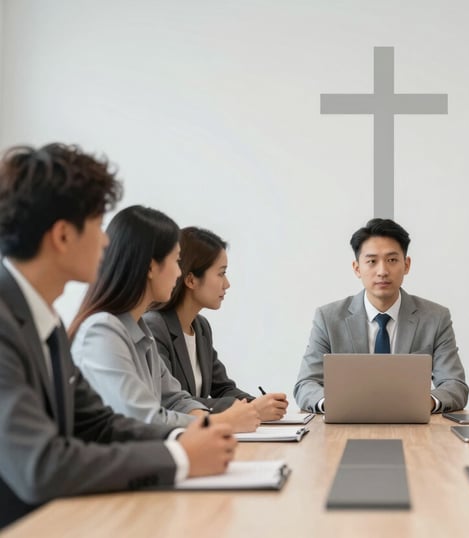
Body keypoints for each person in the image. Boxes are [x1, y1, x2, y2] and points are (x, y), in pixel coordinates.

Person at [0, 144, 235, 528]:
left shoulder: (46, 322)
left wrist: (183, 440)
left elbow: (100, 424)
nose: (107, 242)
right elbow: (41, 465)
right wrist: (179, 457)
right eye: (96, 225)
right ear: (62, 236)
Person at [69, 206, 261, 432]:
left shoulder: (141, 330)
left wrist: (208, 423)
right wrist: (218, 423)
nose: (179, 273)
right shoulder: (102, 331)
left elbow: (175, 399)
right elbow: (143, 418)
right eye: (176, 261)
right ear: (151, 267)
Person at [294, 218, 469, 413]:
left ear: (407, 265)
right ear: (357, 268)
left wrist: (424, 402)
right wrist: (333, 404)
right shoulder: (328, 318)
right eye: (371, 261)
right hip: (345, 425)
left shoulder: (435, 317)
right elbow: (306, 384)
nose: (382, 271)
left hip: (413, 427)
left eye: (392, 260)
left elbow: (455, 385)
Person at [143, 227, 288, 419]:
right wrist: (250, 410)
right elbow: (172, 401)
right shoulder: (154, 326)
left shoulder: (201, 327)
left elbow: (223, 388)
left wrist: (259, 404)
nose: (227, 284)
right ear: (191, 280)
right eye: (221, 273)